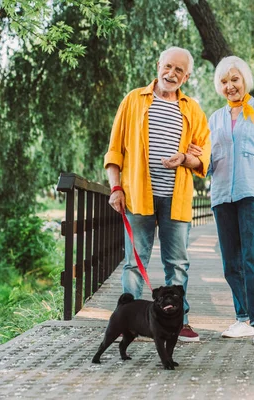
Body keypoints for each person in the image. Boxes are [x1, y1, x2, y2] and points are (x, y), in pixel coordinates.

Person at [104, 46, 211, 342]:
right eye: (168, 67)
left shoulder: (193, 109)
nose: (171, 73)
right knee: (134, 261)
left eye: (179, 70)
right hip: (138, 196)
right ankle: (128, 322)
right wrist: (115, 188)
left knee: (176, 264)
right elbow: (115, 149)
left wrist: (186, 159)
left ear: (186, 76)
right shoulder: (134, 100)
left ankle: (179, 322)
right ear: (158, 66)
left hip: (175, 198)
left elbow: (204, 155)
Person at [189, 56, 254, 345]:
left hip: (253, 194)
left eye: (235, 79)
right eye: (224, 82)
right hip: (221, 197)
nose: (230, 86)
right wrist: (192, 156)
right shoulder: (215, 118)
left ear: (244, 80)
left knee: (251, 259)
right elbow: (206, 164)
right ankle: (242, 319)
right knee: (231, 262)